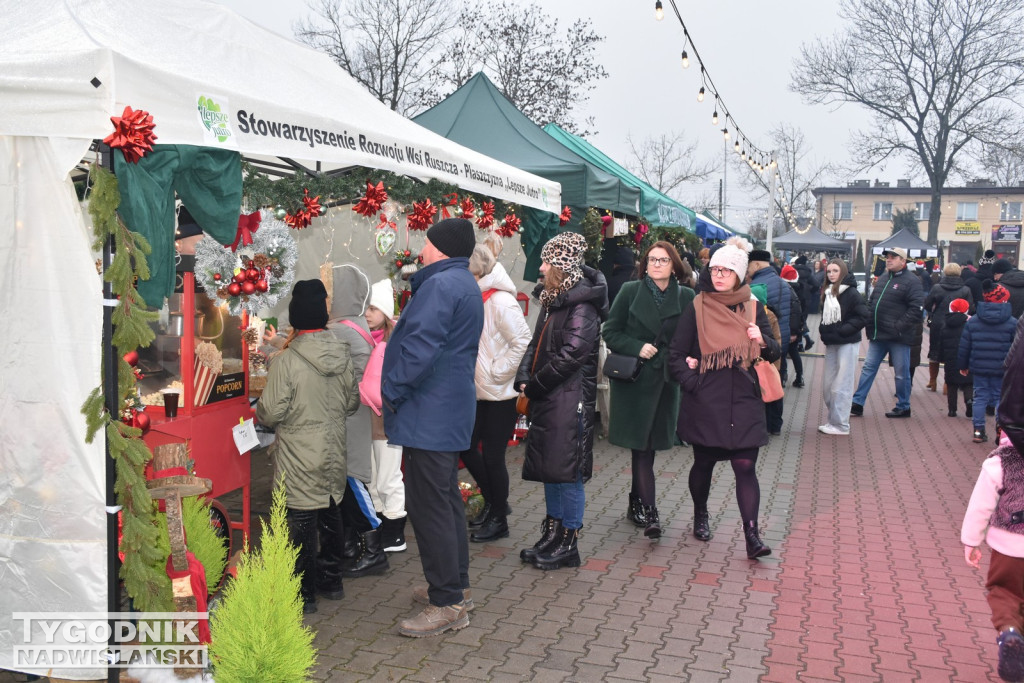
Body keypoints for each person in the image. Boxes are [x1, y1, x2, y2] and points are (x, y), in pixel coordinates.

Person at [382, 217, 483, 638]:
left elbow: (419, 349)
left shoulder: (441, 285)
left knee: (430, 506)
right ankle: (454, 588)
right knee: (445, 499)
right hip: (447, 409)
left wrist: (392, 389)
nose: (420, 249)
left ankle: (447, 604)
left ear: (439, 247)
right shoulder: (463, 283)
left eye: (425, 242)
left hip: (429, 412)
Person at [668, 236, 781, 560]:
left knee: (745, 465)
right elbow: (676, 354)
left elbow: (774, 350)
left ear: (739, 275)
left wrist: (762, 341)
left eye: (726, 270)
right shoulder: (697, 306)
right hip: (708, 400)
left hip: (744, 397)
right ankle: (700, 513)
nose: (718, 275)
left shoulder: (753, 307)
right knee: (703, 463)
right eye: (715, 269)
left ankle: (752, 535)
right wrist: (694, 383)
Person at [255, 279, 360, 614]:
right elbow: (352, 403)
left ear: (295, 318)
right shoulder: (342, 354)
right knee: (331, 511)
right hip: (333, 449)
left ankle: (304, 594)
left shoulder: (285, 361)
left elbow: (270, 412)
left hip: (299, 453)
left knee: (299, 519)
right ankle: (332, 581)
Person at [516, 231, 608, 570]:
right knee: (551, 468)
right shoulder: (555, 299)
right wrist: (524, 377)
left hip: (569, 400)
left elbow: (570, 357)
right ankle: (553, 533)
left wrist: (535, 386)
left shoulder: (581, 306)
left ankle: (569, 541)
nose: (540, 268)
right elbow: (535, 344)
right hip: (550, 397)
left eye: (546, 262)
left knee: (566, 472)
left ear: (561, 266)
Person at [602, 241, 694, 539]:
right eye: (652, 260)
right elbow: (610, 331)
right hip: (636, 383)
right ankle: (651, 512)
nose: (656, 264)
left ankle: (636, 501)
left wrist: (690, 358)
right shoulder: (630, 291)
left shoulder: (687, 296)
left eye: (663, 260)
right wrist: (637, 346)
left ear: (674, 265)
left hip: (666, 382)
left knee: (649, 449)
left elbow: (692, 337)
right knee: (641, 449)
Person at [461, 244, 532, 543]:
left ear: (476, 270)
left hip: (500, 393)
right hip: (478, 391)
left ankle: (499, 518)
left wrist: (496, 372)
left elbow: (523, 342)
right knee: (466, 447)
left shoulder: (500, 301)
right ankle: (494, 503)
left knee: (492, 456)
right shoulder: (479, 297)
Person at [327, 265, 390, 579]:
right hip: (354, 415)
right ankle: (351, 546)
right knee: (346, 482)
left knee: (351, 482)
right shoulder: (353, 324)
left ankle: (373, 548)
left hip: (347, 417)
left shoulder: (340, 329)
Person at [962, 429, 1024, 682]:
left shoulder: (1001, 461)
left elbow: (980, 505)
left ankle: (1010, 633)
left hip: (1009, 545)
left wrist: (971, 541)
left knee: (1004, 591)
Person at [850, 247, 925, 419]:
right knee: (868, 368)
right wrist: (869, 319)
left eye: (893, 257)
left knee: (901, 373)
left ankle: (904, 406)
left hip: (898, 336)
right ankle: (857, 403)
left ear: (903, 261)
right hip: (879, 334)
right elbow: (872, 301)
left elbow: (916, 309)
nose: (888, 260)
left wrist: (898, 326)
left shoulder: (912, 281)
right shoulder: (883, 278)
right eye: (887, 257)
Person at [363, 277, 407, 553]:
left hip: (388, 421)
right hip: (369, 420)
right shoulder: (366, 340)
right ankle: (380, 523)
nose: (368, 314)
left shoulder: (392, 344)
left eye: (374, 309)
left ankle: (395, 534)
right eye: (366, 308)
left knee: (389, 476)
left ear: (386, 313)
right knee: (373, 475)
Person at [958, 282, 1018, 444]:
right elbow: (1016, 347)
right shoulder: (1012, 323)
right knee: (1000, 399)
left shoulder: (974, 321)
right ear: (1003, 300)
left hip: (979, 367)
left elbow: (965, 345)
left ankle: (978, 431)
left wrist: (963, 365)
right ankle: (1000, 432)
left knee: (980, 398)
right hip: (1002, 368)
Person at [817, 259, 869, 436]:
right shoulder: (828, 292)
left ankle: (841, 425)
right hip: (832, 342)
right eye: (829, 271)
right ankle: (834, 420)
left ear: (843, 272)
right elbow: (825, 317)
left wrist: (844, 330)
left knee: (841, 384)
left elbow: (863, 316)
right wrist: (825, 331)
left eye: (835, 270)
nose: (831, 274)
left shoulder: (851, 293)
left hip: (847, 342)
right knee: (828, 385)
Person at [747, 249, 791, 434]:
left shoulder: (756, 286)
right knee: (774, 384)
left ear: (756, 264)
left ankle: (766, 425)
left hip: (765, 345)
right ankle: (775, 425)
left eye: (749, 266)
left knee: (764, 387)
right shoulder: (783, 283)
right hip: (780, 341)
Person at [923, 262, 973, 392]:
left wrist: (933, 312)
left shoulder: (937, 287)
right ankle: (947, 384)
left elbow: (927, 304)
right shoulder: (965, 289)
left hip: (938, 322)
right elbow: (971, 308)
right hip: (957, 324)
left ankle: (932, 381)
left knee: (934, 351)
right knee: (951, 353)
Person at [938, 298, 972, 418]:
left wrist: (941, 357)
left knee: (951, 384)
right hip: (967, 358)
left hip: (950, 358)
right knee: (968, 382)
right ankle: (969, 401)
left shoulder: (945, 324)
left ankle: (952, 410)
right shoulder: (971, 324)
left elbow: (941, 344)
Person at [779, 264, 806, 388]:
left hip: (788, 327)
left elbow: (793, 313)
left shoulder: (786, 290)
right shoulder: (801, 288)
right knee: (794, 353)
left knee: (783, 353)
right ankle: (799, 376)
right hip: (798, 326)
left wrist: (793, 332)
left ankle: (783, 377)